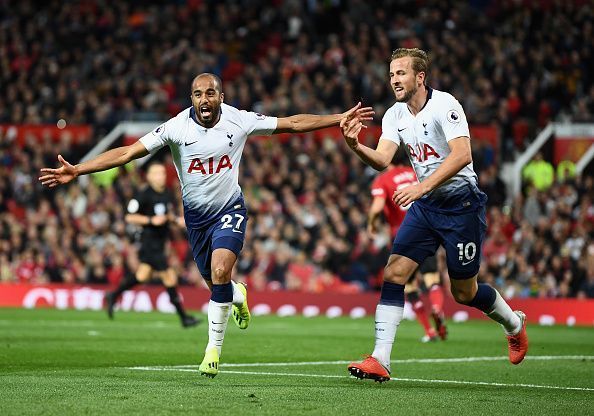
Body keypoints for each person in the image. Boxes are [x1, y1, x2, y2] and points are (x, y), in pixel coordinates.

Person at [40, 72, 373, 378]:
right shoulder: (175, 127)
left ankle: (212, 350)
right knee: (219, 284)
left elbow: (293, 123)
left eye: (210, 93)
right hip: (196, 220)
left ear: (221, 97)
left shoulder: (239, 120)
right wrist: (78, 170)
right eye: (197, 94)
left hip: (230, 208)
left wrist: (337, 118)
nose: (204, 99)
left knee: (218, 272)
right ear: (192, 99)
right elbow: (128, 153)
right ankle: (237, 294)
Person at [340, 48, 528, 382]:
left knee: (464, 293)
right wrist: (356, 146)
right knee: (395, 272)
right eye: (391, 74)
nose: (394, 80)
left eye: (401, 73)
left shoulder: (445, 105)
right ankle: (380, 359)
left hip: (462, 207)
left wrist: (421, 187)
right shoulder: (395, 115)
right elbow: (383, 159)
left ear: (420, 77)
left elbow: (462, 155)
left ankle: (514, 323)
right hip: (426, 208)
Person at [104, 162, 200, 328]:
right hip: (149, 242)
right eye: (157, 173)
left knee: (142, 276)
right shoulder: (143, 195)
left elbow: (166, 215)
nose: (161, 176)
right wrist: (150, 220)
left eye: (162, 173)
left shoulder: (167, 194)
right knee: (169, 277)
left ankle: (113, 295)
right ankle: (183, 318)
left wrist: (176, 221)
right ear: (149, 177)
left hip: (160, 242)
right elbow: (129, 217)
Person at [368, 154, 447, 343]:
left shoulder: (382, 180)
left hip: (403, 236)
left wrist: (371, 224)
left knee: (409, 286)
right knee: (432, 279)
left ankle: (429, 331)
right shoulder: (416, 173)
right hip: (427, 231)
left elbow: (377, 208)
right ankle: (437, 308)